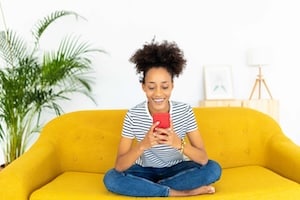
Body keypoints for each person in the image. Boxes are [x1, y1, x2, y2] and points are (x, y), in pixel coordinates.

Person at [103, 40, 222, 197]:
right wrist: (142, 146)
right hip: (143, 171)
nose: (158, 93)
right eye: (152, 87)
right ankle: (180, 192)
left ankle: (148, 189)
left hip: (177, 169)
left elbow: (203, 159)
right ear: (144, 87)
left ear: (172, 85)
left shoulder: (184, 111)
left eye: (164, 86)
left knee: (214, 169)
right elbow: (119, 166)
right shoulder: (133, 115)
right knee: (111, 178)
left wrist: (177, 143)